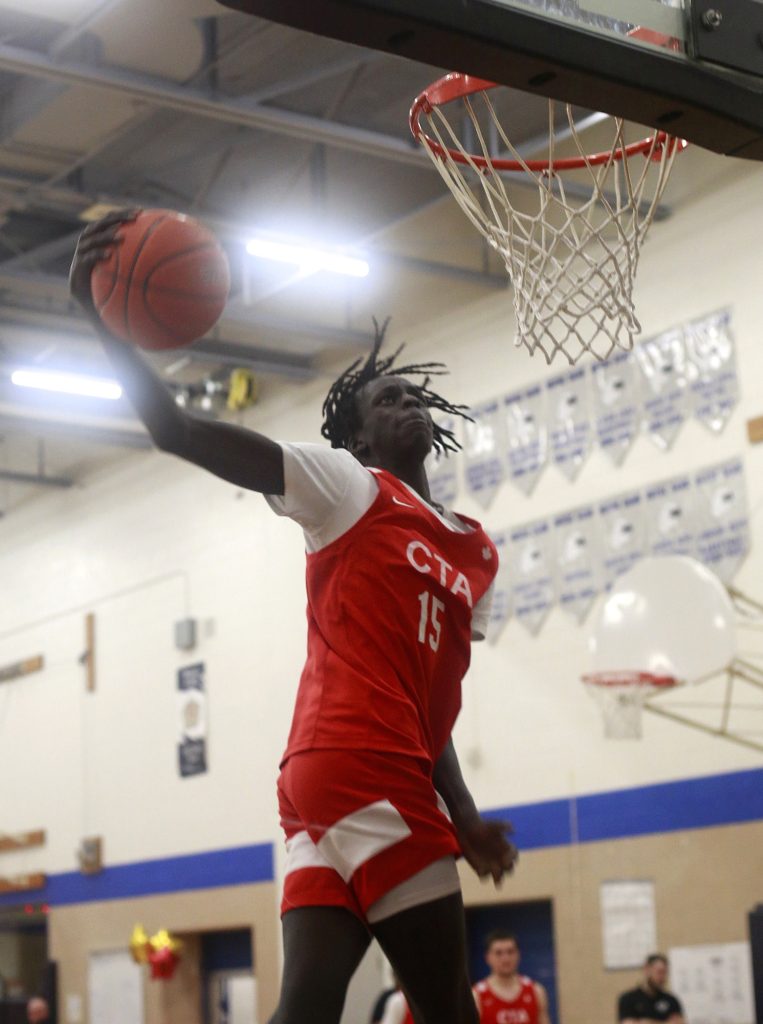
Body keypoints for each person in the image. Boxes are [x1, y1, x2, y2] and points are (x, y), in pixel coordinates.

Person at [70, 212, 518, 1024]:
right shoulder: (346, 487)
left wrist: (464, 812)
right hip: (366, 765)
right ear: (354, 435)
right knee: (450, 1011)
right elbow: (174, 431)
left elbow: (430, 708)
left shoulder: (474, 554)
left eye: (413, 393)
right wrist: (100, 327)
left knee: (303, 1013)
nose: (406, 403)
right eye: (387, 398)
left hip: (322, 789)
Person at [473, 930, 550, 1024]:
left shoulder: (536, 991)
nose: (505, 958)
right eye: (498, 953)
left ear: (518, 954)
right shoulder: (477, 996)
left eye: (510, 952)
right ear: (488, 957)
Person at [618, 954, 685, 1023]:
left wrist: (645, 1022)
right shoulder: (628, 999)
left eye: (665, 973)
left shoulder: (671, 1000)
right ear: (646, 970)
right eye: (659, 972)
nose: (662, 977)